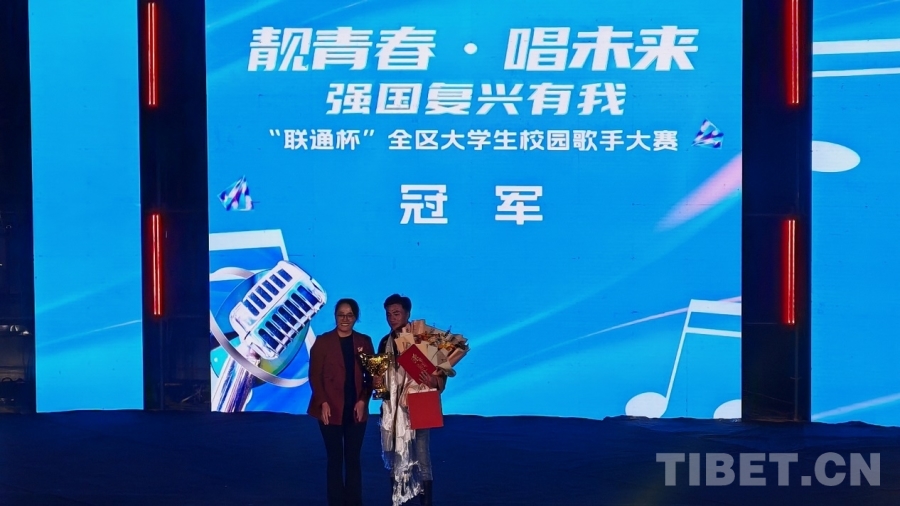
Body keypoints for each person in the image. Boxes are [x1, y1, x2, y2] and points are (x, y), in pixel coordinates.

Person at [375, 294, 446, 506]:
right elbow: (380, 377)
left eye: (396, 313)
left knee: (422, 455)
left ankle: (426, 502)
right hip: (392, 409)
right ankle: (397, 499)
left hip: (418, 404)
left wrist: (433, 380)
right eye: (388, 314)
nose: (392, 318)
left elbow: (442, 372)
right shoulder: (384, 342)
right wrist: (378, 383)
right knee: (395, 456)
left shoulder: (424, 338)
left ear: (408, 313)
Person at [308, 298, 375, 506]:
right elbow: (315, 376)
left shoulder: (364, 341)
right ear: (335, 316)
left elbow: (371, 376)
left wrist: (363, 400)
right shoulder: (322, 342)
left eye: (349, 315)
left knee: (353, 459)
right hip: (330, 409)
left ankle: (354, 501)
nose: (345, 319)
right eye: (341, 315)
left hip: (356, 410)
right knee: (335, 459)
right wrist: (322, 402)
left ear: (356, 317)